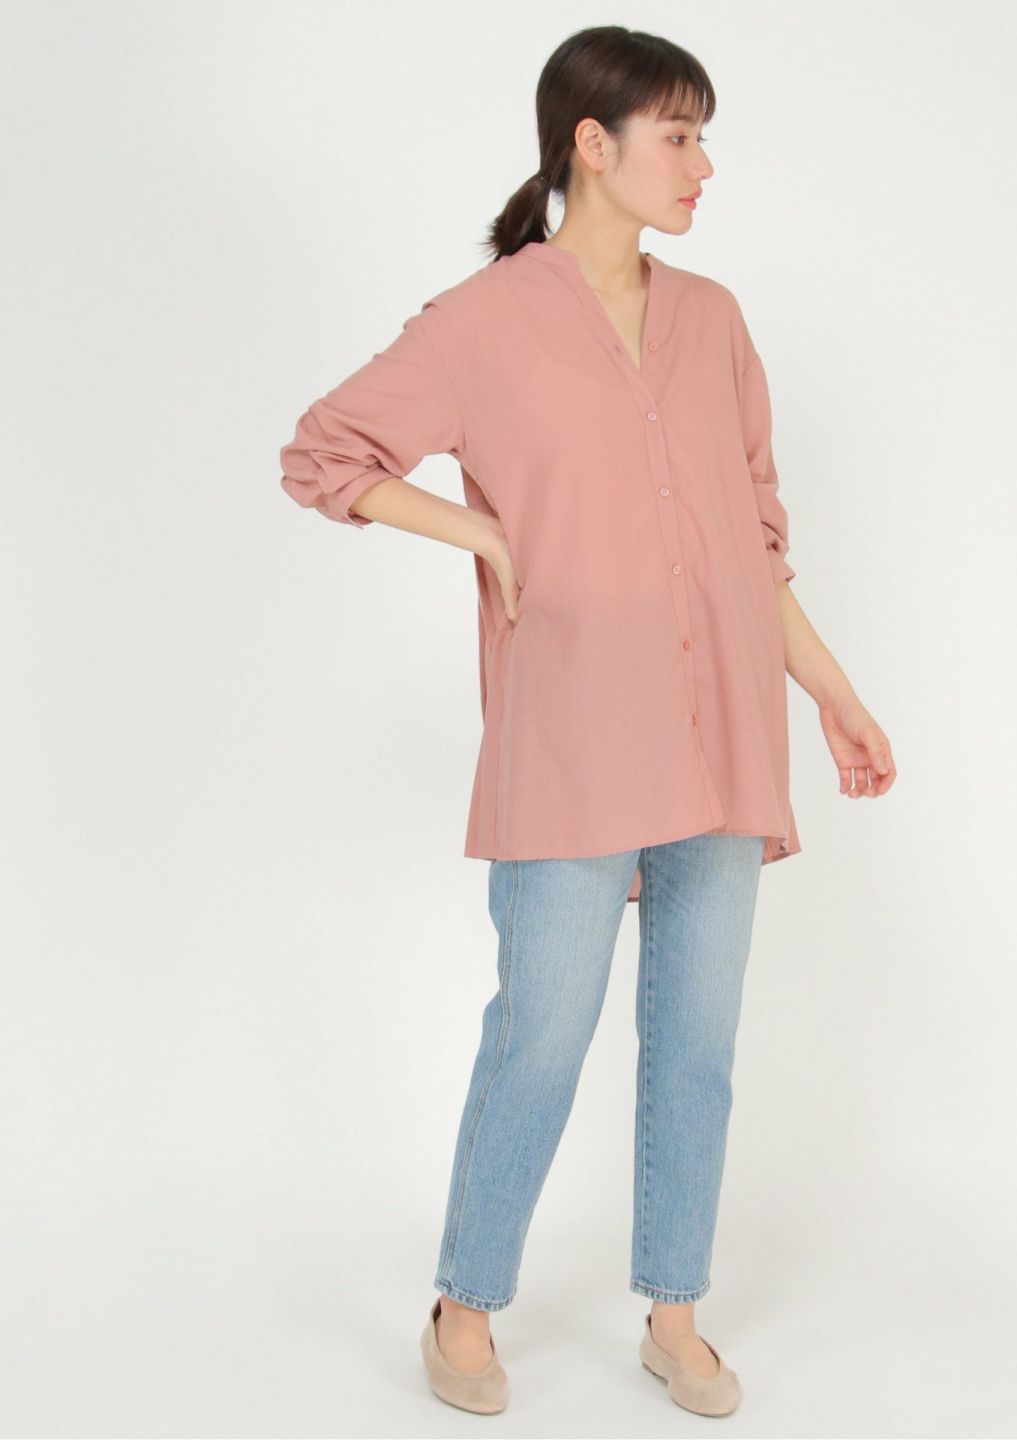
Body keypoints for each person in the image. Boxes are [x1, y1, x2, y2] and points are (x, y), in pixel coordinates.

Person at [279, 23, 896, 1419]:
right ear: (592, 146)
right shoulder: (483, 324)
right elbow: (324, 452)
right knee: (542, 1035)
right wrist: (481, 533)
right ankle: (465, 1303)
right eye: (680, 136)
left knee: (698, 1046)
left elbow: (753, 548)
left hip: (724, 739)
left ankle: (675, 1314)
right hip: (571, 740)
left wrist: (836, 694)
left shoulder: (715, 322)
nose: (704, 165)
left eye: (704, 137)